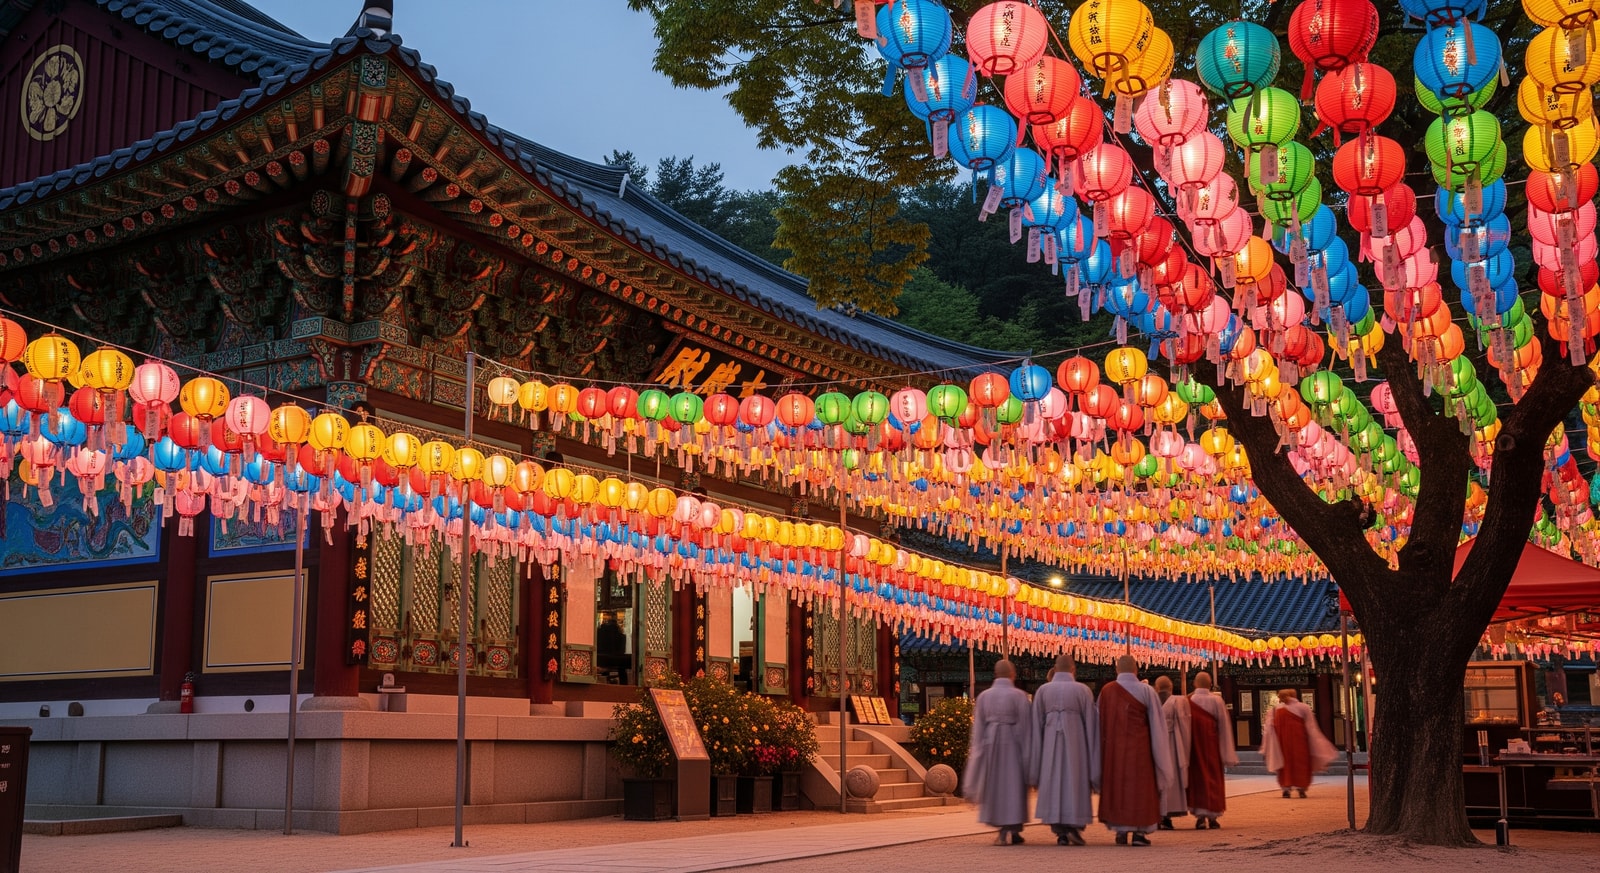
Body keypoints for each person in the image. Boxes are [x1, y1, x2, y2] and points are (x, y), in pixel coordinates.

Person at [1097, 655, 1175, 846]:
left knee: (1118, 789)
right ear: (1136, 670)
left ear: (1117, 670)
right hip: (1140, 750)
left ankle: (1120, 831)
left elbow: (1099, 724)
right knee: (1140, 790)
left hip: (1114, 752)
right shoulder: (1146, 690)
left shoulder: (1106, 691)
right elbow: (1157, 725)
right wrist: (1161, 757)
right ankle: (1139, 833)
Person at [1031, 654, 1099, 846]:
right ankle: (1074, 827)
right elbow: (1091, 726)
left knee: (1054, 783)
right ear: (1073, 669)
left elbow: (1035, 727)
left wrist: (1035, 762)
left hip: (1050, 746)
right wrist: (1094, 758)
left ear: (1055, 668)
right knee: (1075, 783)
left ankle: (1060, 832)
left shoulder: (1043, 691)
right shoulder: (1083, 690)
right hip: (1077, 747)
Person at [965, 659, 1035, 845]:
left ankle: (1005, 831)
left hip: (991, 746)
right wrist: (1028, 757)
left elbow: (978, 731)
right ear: (1012, 674)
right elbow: (1026, 729)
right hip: (1013, 746)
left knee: (997, 788)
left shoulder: (984, 697)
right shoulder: (1019, 696)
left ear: (995, 675)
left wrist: (978, 755)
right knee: (1014, 787)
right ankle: (1012, 829)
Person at [1261, 688, 1336, 798]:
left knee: (1285, 765)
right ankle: (1301, 788)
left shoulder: (1275, 710)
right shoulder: (1303, 707)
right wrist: (1316, 741)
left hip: (1283, 743)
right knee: (1301, 764)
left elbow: (1269, 728)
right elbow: (1311, 726)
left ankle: (1286, 788)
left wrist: (1268, 745)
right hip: (1300, 741)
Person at [1185, 672, 1237, 828]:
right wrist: (1227, 751)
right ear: (1210, 685)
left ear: (1195, 684)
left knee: (1197, 779)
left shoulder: (1188, 701)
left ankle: (1200, 817)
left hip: (1194, 745)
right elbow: (1224, 725)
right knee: (1213, 778)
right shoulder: (1216, 700)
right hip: (1212, 745)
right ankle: (1213, 817)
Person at [1153, 676, 1191, 831]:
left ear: (1156, 687)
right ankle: (1166, 816)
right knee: (1169, 780)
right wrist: (1186, 747)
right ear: (1171, 687)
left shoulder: (1151, 700)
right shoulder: (1177, 701)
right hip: (1171, 744)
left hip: (1153, 742)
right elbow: (1184, 724)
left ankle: (1155, 816)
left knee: (1155, 780)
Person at [596, 611, 629, 684]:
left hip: (601, 657)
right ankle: (623, 684)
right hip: (617, 659)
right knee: (622, 667)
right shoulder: (621, 635)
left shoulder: (600, 632)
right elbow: (622, 649)